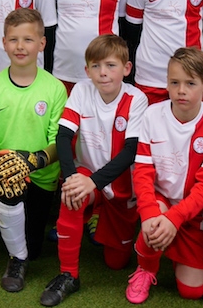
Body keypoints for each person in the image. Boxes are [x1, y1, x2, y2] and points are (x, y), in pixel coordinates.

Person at [40, 34, 148, 306]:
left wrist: (94, 182)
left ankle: (99, 218)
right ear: (87, 70)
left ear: (126, 68)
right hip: (86, 176)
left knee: (116, 262)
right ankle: (68, 274)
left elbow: (130, 152)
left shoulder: (137, 99)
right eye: (96, 66)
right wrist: (71, 177)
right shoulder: (81, 90)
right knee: (72, 194)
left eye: (111, 65)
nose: (103, 73)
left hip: (121, 187)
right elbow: (63, 136)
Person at [125, 47, 203, 304]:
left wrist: (176, 218)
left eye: (190, 83)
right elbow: (143, 173)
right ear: (167, 83)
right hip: (159, 202)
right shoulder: (152, 115)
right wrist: (149, 213)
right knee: (154, 221)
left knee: (191, 292)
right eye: (174, 82)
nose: (181, 90)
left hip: (192, 213)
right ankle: (146, 268)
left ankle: (172, 247)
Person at [0, 8, 68, 293]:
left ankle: (9, 227)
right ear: (4, 43)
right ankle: (16, 258)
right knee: (20, 248)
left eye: (28, 39)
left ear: (42, 44)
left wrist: (32, 160)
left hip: (41, 177)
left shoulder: (55, 88)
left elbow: (59, 141)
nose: (20, 46)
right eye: (14, 39)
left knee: (35, 249)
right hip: (4, 175)